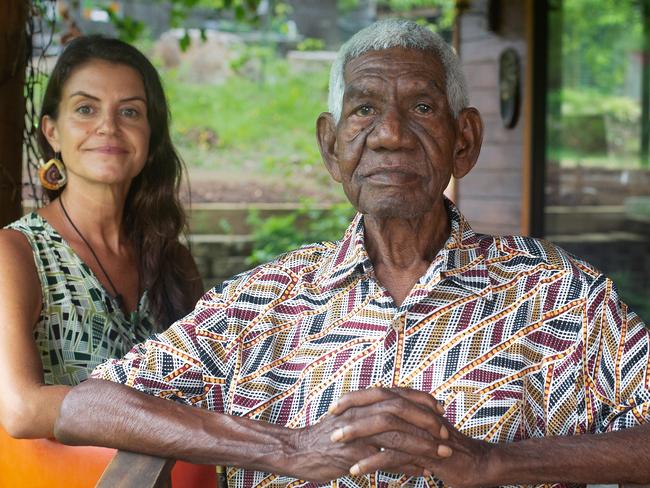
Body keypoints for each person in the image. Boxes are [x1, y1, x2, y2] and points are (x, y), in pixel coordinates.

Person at [54, 19, 650, 487]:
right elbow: (88, 407)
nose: (390, 132)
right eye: (364, 109)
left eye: (420, 108)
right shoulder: (262, 303)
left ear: (463, 140)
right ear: (330, 145)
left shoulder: (562, 296)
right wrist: (287, 448)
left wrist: (495, 462)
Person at [0, 36, 203, 439]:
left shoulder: (171, 259)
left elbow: (211, 386)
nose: (108, 126)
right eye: (85, 109)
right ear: (52, 132)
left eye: (130, 111)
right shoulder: (16, 253)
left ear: (150, 136)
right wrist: (164, 418)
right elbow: (21, 409)